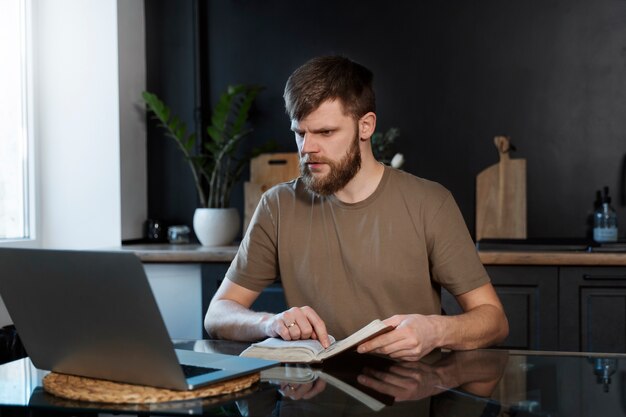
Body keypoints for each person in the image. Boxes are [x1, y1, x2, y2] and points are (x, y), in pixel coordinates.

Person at [205, 55, 508, 361]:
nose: (307, 147)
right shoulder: (277, 206)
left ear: (366, 126)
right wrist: (268, 323)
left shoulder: (430, 203)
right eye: (300, 133)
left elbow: (494, 321)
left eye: (326, 132)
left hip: (407, 396)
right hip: (310, 397)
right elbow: (217, 315)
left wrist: (435, 331)